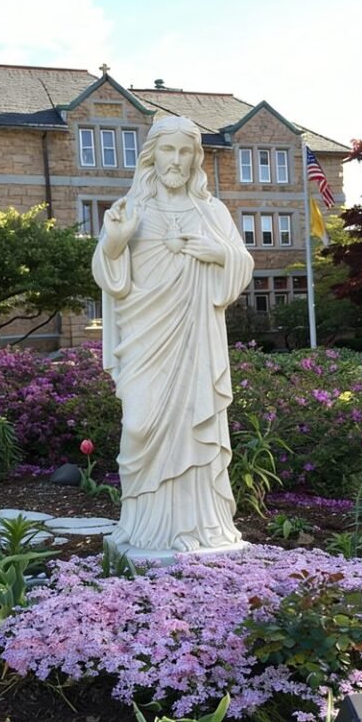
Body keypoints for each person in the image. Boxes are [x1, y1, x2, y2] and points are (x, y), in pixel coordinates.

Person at [92, 115, 254, 553]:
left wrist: (218, 253)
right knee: (139, 425)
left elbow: (242, 262)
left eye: (185, 151)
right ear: (153, 155)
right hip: (145, 336)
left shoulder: (211, 211)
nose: (176, 160)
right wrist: (114, 242)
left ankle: (199, 527)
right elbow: (111, 280)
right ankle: (143, 525)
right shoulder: (132, 208)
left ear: (196, 157)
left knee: (194, 423)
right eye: (168, 149)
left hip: (196, 338)